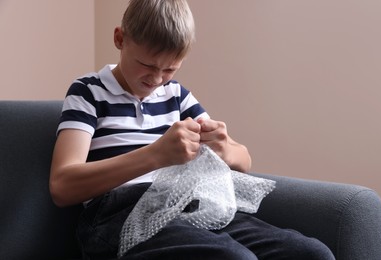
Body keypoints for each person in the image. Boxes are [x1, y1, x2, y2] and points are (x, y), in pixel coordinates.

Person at [50, 0, 335, 259]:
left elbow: (243, 160)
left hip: (186, 206)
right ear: (120, 39)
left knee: (311, 253)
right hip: (115, 216)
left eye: (170, 69)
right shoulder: (88, 92)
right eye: (147, 65)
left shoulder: (176, 95)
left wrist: (226, 149)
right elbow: (62, 186)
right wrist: (156, 155)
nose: (157, 79)